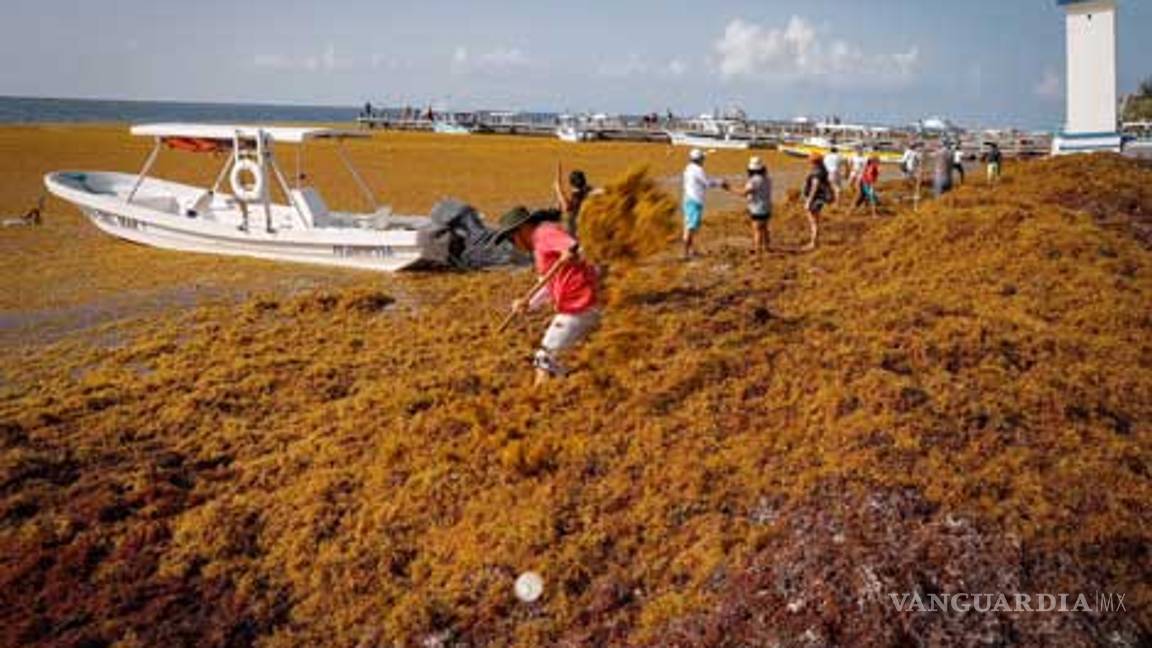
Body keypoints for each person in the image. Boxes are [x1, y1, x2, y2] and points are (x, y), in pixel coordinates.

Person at [494, 207, 600, 386]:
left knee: (545, 358)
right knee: (557, 358)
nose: (514, 245)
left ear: (522, 230)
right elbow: (547, 284)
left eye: (511, 239)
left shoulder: (545, 233)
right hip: (577, 305)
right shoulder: (538, 245)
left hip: (580, 304)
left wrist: (572, 255)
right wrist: (528, 303)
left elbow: (578, 248)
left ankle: (538, 401)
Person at [681, 148, 728, 258]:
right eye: (703, 159)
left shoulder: (688, 168)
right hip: (694, 200)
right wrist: (720, 182)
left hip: (688, 199)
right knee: (690, 228)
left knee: (689, 226)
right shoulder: (698, 170)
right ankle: (685, 253)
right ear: (700, 159)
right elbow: (707, 183)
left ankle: (690, 251)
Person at [731, 156, 772, 254]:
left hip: (757, 208)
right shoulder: (767, 178)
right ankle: (766, 247)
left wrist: (729, 188)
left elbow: (744, 193)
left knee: (757, 230)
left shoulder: (753, 181)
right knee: (765, 228)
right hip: (767, 206)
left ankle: (758, 250)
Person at [802, 153, 834, 250]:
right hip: (819, 198)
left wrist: (808, 201)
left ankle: (814, 243)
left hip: (816, 198)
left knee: (813, 222)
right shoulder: (822, 170)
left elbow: (814, 187)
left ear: (813, 162)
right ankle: (814, 241)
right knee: (815, 221)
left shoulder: (817, 172)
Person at [553, 164, 592, 237]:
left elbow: (566, 207)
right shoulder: (588, 193)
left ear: (571, 184)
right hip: (584, 230)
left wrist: (558, 189)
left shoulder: (575, 198)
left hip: (574, 234)